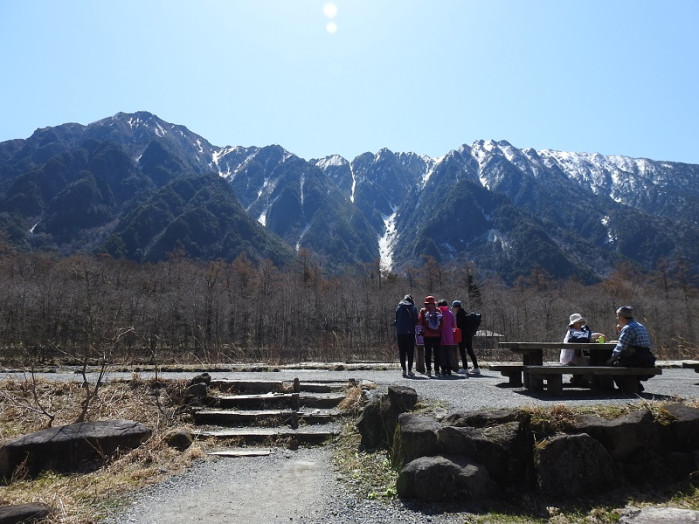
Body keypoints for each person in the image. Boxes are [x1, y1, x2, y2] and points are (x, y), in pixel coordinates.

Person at [607, 306, 656, 392]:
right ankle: (636, 385)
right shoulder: (640, 326)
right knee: (620, 362)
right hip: (646, 358)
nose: (617, 318)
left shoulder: (628, 328)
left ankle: (623, 387)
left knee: (612, 366)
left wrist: (611, 359)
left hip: (636, 359)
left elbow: (620, 347)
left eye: (617, 316)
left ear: (621, 317)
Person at [560, 313, 605, 386]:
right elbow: (583, 338)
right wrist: (594, 336)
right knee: (592, 363)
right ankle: (583, 380)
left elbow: (586, 334)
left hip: (576, 357)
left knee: (592, 361)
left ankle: (579, 379)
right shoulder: (572, 332)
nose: (580, 324)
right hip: (570, 358)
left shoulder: (579, 330)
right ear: (574, 324)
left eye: (581, 322)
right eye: (578, 322)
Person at [452, 300, 480, 375]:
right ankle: (476, 367)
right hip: (468, 334)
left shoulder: (459, 314)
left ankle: (465, 368)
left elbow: (459, 326)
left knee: (462, 351)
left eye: (453, 308)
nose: (453, 309)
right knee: (470, 351)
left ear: (455, 307)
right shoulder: (465, 312)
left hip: (462, 335)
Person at [418, 296, 443, 377]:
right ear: (434, 303)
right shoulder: (438, 310)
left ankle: (428, 370)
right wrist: (438, 330)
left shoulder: (423, 311)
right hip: (437, 335)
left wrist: (426, 328)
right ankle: (437, 370)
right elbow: (443, 323)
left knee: (428, 353)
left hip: (427, 335)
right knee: (437, 353)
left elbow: (420, 322)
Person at [395, 294, 419, 377]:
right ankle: (410, 370)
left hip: (400, 332)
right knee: (410, 352)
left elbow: (396, 320)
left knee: (402, 352)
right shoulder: (413, 308)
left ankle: (403, 370)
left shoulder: (398, 308)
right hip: (410, 332)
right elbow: (416, 320)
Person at [437, 299, 456, 376]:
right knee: (449, 354)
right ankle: (449, 369)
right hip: (449, 337)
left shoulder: (438, 314)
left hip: (440, 336)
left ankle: (443, 369)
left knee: (442, 354)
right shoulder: (450, 314)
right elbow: (454, 326)